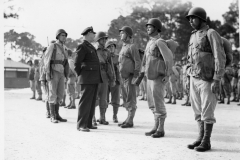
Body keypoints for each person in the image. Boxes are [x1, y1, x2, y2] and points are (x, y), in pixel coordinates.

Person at [185, 7, 226, 152]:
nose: (190, 21)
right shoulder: (192, 35)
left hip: (207, 78)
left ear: (202, 19)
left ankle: (206, 141)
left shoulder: (211, 33)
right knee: (197, 110)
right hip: (194, 77)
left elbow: (219, 56)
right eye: (189, 18)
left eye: (193, 18)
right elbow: (190, 58)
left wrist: (217, 79)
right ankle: (200, 138)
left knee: (207, 111)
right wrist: (187, 77)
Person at [141, 18, 174, 138]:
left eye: (150, 26)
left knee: (158, 102)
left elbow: (168, 58)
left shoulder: (160, 42)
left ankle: (161, 129)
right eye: (147, 26)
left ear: (156, 28)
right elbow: (145, 60)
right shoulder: (149, 43)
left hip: (159, 77)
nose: (148, 28)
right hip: (149, 76)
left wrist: (167, 74)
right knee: (152, 102)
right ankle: (155, 126)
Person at [74, 26, 103, 132]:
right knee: (85, 102)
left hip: (94, 78)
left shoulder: (90, 46)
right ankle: (81, 124)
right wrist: (81, 75)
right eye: (92, 33)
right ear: (87, 34)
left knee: (91, 102)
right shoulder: (82, 46)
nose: (94, 35)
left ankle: (88, 123)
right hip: (87, 78)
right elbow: (76, 63)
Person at [118, 26, 141, 128]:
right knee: (126, 98)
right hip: (124, 77)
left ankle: (130, 120)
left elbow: (137, 61)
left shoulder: (132, 47)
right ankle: (128, 118)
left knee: (131, 99)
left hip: (131, 77)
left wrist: (136, 76)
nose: (120, 35)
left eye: (122, 33)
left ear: (128, 35)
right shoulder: (124, 46)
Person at [43, 29, 69, 123]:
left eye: (65, 35)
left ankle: (57, 115)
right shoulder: (53, 46)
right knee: (52, 93)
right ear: (57, 36)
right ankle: (52, 115)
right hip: (53, 71)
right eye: (62, 35)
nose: (64, 37)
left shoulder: (64, 48)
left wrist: (67, 73)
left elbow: (66, 62)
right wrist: (48, 73)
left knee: (60, 94)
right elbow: (47, 59)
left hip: (61, 72)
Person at [93, 32, 115, 125]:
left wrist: (113, 78)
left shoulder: (107, 52)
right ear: (98, 40)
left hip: (105, 75)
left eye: (105, 39)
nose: (104, 41)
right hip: (95, 75)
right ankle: (92, 118)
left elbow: (111, 66)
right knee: (94, 98)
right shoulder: (93, 50)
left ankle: (102, 117)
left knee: (104, 98)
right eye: (103, 39)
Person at [105, 40, 121, 123]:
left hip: (116, 80)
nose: (111, 48)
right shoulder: (104, 57)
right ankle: (102, 116)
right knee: (104, 99)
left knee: (116, 100)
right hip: (105, 81)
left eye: (112, 46)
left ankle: (115, 116)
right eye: (109, 46)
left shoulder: (118, 57)